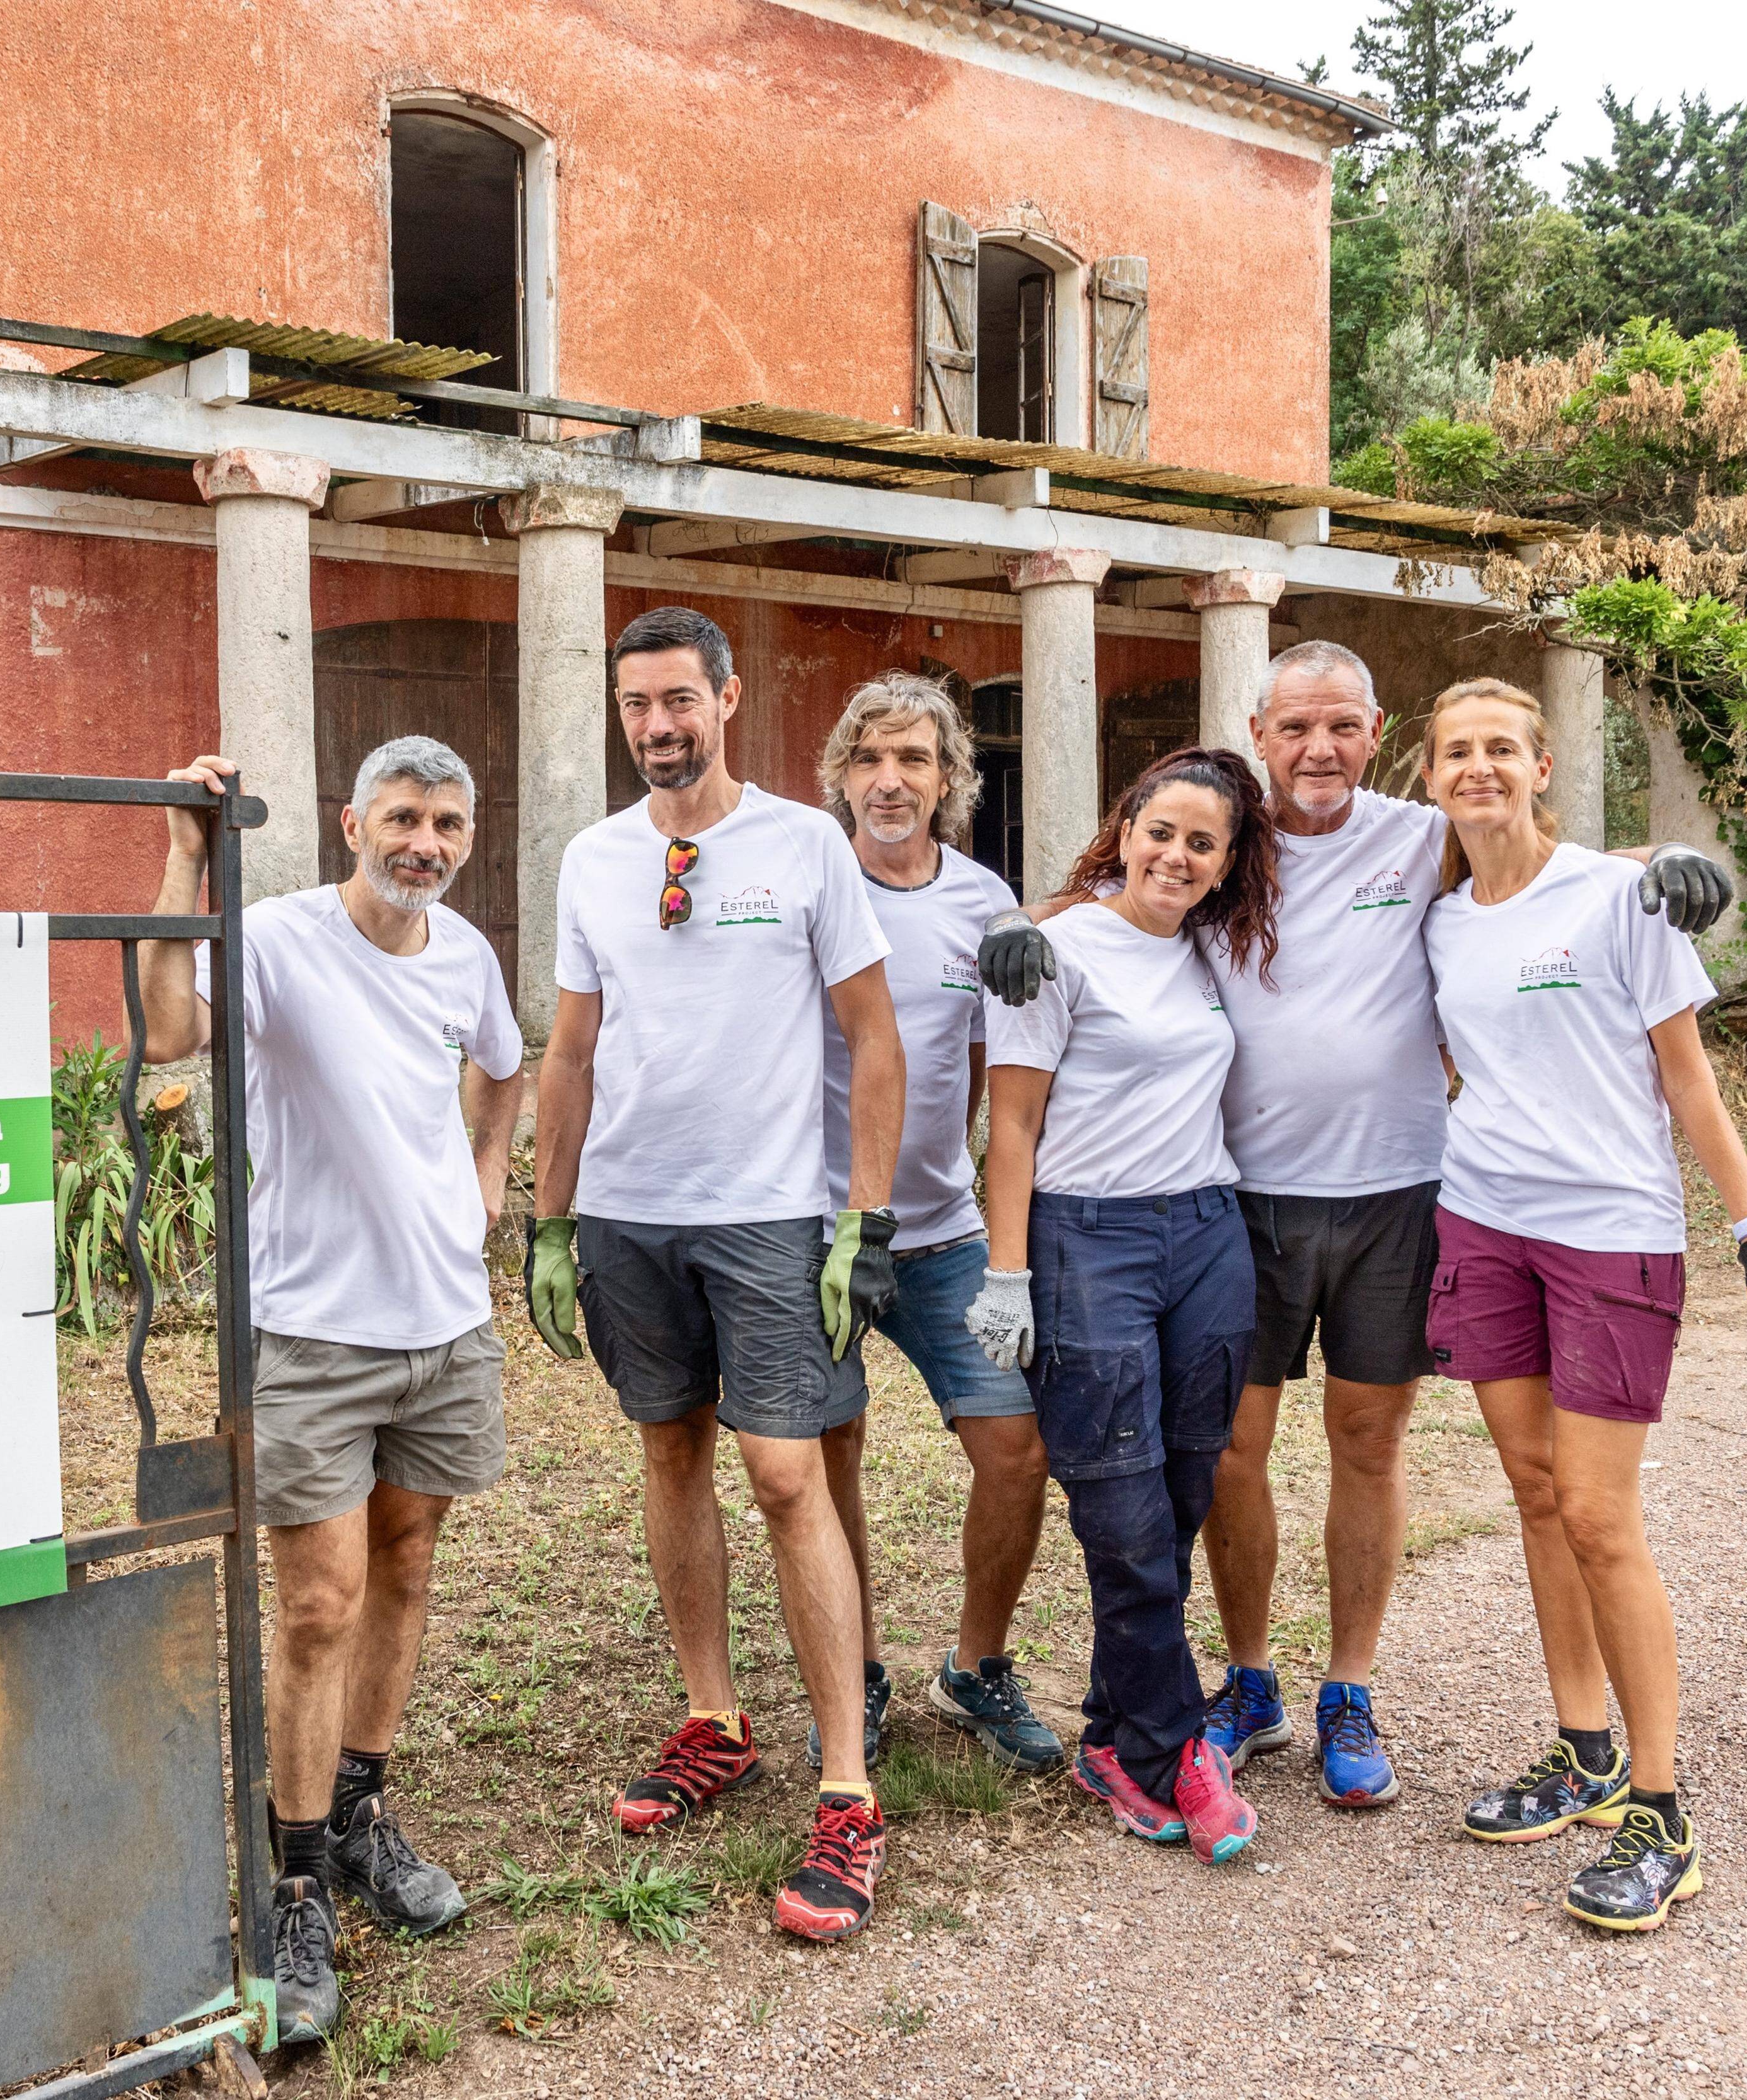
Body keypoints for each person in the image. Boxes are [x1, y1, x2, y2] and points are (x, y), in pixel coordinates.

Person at [978, 641, 1734, 1812]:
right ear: (1258, 729)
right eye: (1294, 728)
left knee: (1368, 1443)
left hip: (1400, 1193)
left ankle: (1350, 1686)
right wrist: (1030, 919)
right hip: (1246, 1199)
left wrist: (1663, 858)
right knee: (1235, 1448)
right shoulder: (1231, 840)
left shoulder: (1417, 831)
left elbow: (1536, 856)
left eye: (1341, 727)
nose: (1318, 750)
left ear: (1377, 734)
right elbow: (1135, 889)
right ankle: (1249, 1678)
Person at [1417, 676, 1747, 1932]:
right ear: (1431, 774)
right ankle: (1584, 1749)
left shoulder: (1620, 896)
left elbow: (1686, 1076)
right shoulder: (1443, 921)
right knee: (1538, 1494)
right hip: (1483, 1226)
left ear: (1543, 764)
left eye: (1501, 747)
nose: (1479, 767)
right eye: (1456, 751)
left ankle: (1661, 1809)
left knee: (1600, 1515)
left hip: (1610, 1236)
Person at [524, 605, 909, 1942]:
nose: (658, 725)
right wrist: (552, 1218)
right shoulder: (591, 858)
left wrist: (864, 1219)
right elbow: (569, 1051)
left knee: (785, 1470)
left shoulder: (805, 844)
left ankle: (848, 1784)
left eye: (679, 699)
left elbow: (874, 1037)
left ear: (728, 698)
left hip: (767, 1215)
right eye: (637, 705)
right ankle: (713, 1717)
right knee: (669, 1450)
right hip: (629, 1214)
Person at [140, 735, 526, 2041]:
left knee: (407, 1567)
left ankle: (361, 1810)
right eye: (404, 817)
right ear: (353, 819)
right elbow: (164, 1027)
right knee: (317, 1601)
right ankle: (294, 1871)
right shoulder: (280, 936)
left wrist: (489, 1170)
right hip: (312, 1328)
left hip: (443, 1320)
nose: (425, 841)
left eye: (448, 823)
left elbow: (504, 1063)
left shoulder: (465, 951)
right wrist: (183, 856)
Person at [965, 745, 1279, 1867]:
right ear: (1126, 828)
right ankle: (1177, 1743)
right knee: (1121, 1507)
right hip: (1085, 1238)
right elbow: (1011, 1125)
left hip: (1205, 1233)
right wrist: (1008, 1273)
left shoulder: (1210, 951)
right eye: (1162, 833)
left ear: (1227, 862)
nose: (1178, 856)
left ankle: (1112, 1733)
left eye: (1203, 843)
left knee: (1192, 1480)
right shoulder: (1052, 948)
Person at [811, 671, 1064, 1776]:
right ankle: (854, 1667)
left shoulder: (981, 900)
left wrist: (1033, 919)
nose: (889, 779)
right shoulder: (810, 881)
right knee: (830, 1455)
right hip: (811, 1230)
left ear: (950, 778)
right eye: (869, 759)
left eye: (914, 759)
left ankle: (975, 1666)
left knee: (1016, 1447)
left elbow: (975, 1062)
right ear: (841, 778)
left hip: (942, 1227)